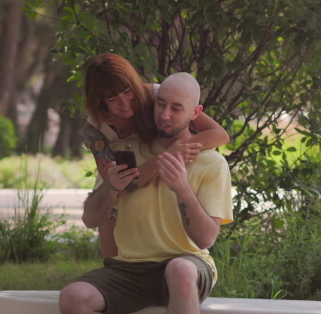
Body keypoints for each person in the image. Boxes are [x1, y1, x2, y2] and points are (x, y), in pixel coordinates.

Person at [60, 73, 233, 314]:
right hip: (131, 268)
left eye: (176, 108)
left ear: (195, 112)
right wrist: (110, 188)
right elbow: (91, 219)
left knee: (181, 270)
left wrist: (183, 189)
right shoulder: (126, 151)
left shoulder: (211, 163)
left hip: (187, 263)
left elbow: (205, 240)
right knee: (73, 298)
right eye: (160, 104)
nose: (165, 115)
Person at [83, 53, 229, 258]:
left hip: (162, 161)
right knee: (113, 252)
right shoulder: (95, 126)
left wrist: (180, 149)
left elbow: (219, 135)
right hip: (124, 174)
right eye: (112, 99)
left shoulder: (156, 95)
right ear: (100, 102)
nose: (124, 103)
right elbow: (121, 186)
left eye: (127, 92)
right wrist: (167, 158)